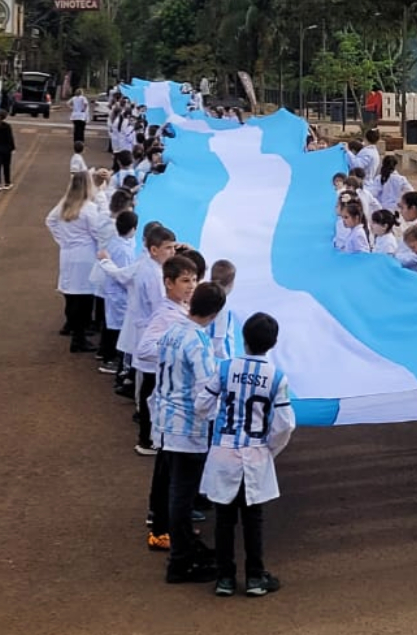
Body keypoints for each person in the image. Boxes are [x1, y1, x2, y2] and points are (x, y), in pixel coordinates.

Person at [195, 312, 296, 597]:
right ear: (273, 343)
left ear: (244, 338)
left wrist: (216, 425)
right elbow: (285, 424)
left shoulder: (225, 368)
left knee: (224, 518)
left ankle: (225, 578)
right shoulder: (277, 377)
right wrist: (270, 448)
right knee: (253, 518)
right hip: (255, 453)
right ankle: (254, 577)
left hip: (223, 451)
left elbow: (203, 404)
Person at [153, 282, 227, 584]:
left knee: (176, 493)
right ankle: (181, 561)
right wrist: (214, 415)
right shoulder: (199, 341)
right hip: (188, 428)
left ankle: (184, 551)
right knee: (182, 496)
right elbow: (205, 390)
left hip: (166, 420)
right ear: (215, 312)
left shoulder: (172, 331)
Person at [137, 255, 204, 552]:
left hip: (171, 408)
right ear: (168, 283)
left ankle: (165, 521)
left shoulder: (182, 310)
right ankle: (162, 528)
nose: (192, 286)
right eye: (185, 281)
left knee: (167, 468)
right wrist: (176, 348)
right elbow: (144, 349)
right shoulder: (165, 316)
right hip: (170, 409)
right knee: (169, 472)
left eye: (194, 280)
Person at [98, 225, 178, 455]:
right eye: (168, 248)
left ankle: (148, 434)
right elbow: (160, 309)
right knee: (150, 390)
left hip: (145, 334)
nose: (172, 252)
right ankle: (147, 438)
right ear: (154, 250)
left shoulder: (148, 266)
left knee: (148, 388)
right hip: (151, 337)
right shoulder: (153, 275)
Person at [45, 171, 103, 353]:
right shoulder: (89, 209)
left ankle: (72, 328)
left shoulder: (64, 205)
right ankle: (79, 338)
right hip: (85, 256)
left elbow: (50, 221)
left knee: (70, 294)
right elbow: (98, 233)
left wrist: (62, 239)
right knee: (85, 298)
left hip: (68, 254)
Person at [98, 211, 138, 374]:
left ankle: (104, 353)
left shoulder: (116, 242)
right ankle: (110, 359)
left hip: (113, 292)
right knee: (117, 327)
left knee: (111, 323)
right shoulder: (124, 251)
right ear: (133, 228)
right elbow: (124, 275)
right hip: (119, 293)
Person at [207, 260, 237, 360]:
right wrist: (229, 363)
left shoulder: (203, 296)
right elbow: (219, 341)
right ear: (231, 284)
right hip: (218, 363)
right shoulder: (222, 307)